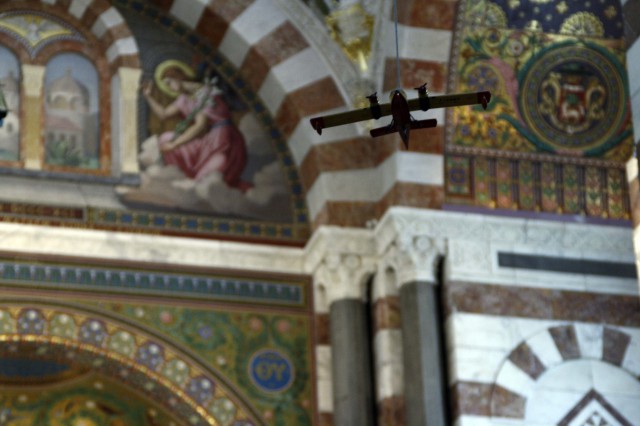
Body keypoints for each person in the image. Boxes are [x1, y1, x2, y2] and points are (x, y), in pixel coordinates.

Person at [142, 66, 250, 192]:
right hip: (207, 139)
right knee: (165, 138)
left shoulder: (205, 92)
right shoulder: (183, 98)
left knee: (216, 164)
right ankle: (187, 176)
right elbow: (163, 114)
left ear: (177, 78)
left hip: (224, 137)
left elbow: (199, 125)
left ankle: (196, 182)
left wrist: (174, 144)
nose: (169, 87)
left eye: (169, 83)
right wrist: (148, 96)